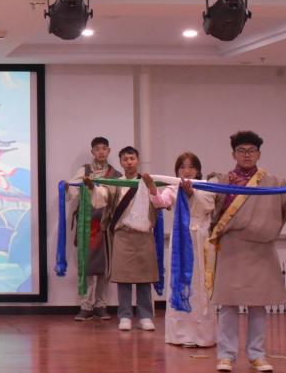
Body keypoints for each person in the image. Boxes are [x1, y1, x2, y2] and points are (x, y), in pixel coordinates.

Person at [205, 131, 286, 372]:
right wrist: (191, 190)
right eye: (241, 151)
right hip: (231, 248)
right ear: (233, 154)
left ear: (259, 154)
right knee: (228, 305)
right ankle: (226, 356)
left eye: (251, 150)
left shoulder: (275, 183)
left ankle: (257, 355)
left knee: (258, 305)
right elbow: (203, 205)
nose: (247, 155)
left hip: (261, 250)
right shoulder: (221, 181)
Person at [144, 152, 217, 347]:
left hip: (201, 239)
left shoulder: (207, 187)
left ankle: (203, 336)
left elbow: (208, 206)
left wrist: (191, 193)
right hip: (180, 240)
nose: (187, 170)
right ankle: (180, 334)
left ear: (198, 170)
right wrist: (152, 187)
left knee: (201, 285)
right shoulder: (173, 187)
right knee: (180, 283)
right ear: (177, 170)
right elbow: (160, 202)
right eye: (182, 167)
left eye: (191, 166)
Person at [85, 146, 159, 332]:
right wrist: (92, 187)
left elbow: (159, 201)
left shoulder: (147, 181)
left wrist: (151, 187)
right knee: (123, 280)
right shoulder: (115, 183)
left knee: (144, 279)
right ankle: (125, 316)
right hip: (122, 236)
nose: (129, 162)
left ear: (137, 160)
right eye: (125, 159)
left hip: (143, 235)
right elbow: (102, 197)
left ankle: (145, 316)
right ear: (120, 162)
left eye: (132, 158)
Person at [67, 136, 121, 321]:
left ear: (109, 151)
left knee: (104, 268)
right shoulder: (85, 170)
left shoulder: (116, 175)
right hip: (87, 225)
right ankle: (86, 305)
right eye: (97, 149)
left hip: (106, 225)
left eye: (104, 148)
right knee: (87, 267)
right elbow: (72, 189)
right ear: (92, 152)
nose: (101, 152)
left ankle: (101, 305)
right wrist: (66, 187)